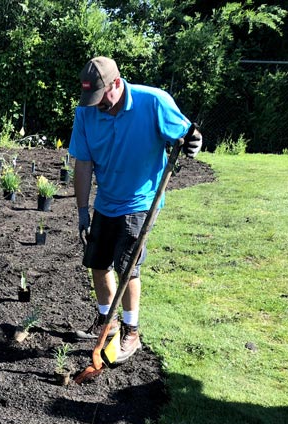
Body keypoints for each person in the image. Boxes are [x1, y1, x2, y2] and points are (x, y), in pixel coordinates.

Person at [69, 56, 201, 362]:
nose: (97, 105)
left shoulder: (153, 102)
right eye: (91, 99)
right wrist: (81, 211)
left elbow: (189, 134)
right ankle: (108, 322)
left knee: (127, 267)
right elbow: (83, 163)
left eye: (101, 97)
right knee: (98, 262)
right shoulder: (86, 112)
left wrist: (194, 143)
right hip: (107, 200)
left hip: (140, 201)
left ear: (117, 83)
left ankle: (132, 331)